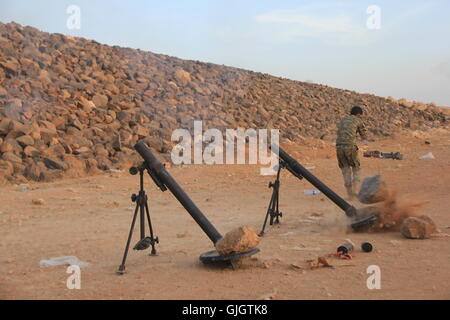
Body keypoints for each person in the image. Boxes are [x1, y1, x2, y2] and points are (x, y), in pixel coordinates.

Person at [336, 106, 368, 199]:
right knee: (355, 167)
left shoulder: (342, 120)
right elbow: (363, 133)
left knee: (345, 169)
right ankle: (355, 190)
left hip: (339, 147)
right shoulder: (358, 120)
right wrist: (365, 142)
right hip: (350, 147)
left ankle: (349, 194)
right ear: (358, 114)